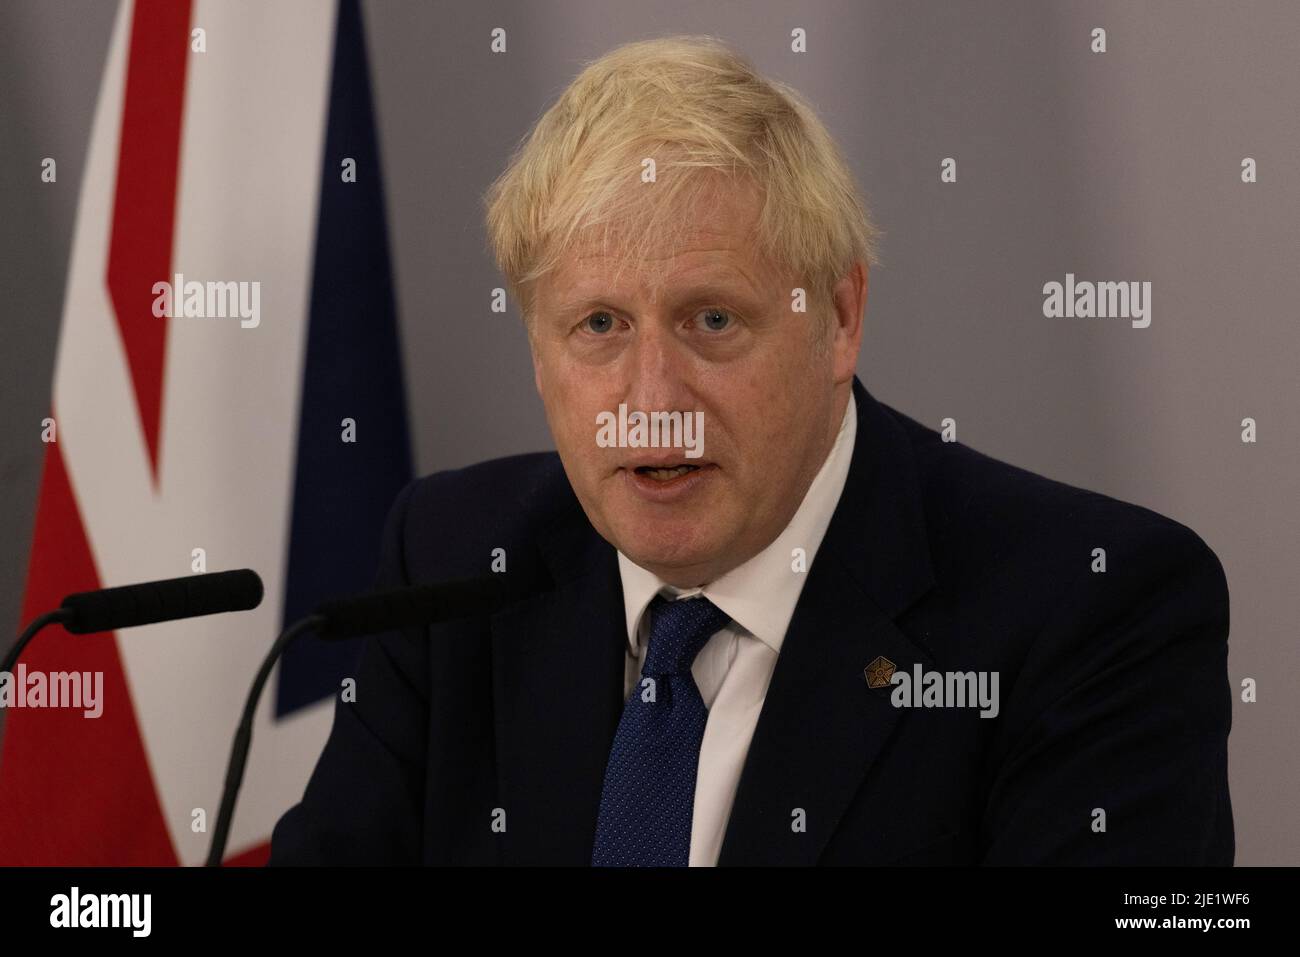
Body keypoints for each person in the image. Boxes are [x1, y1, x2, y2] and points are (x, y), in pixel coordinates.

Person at [270, 35, 1233, 866]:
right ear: (535, 346)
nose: (652, 402)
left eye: (713, 318)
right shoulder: (455, 564)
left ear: (842, 316)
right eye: (599, 324)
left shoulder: (1095, 610)